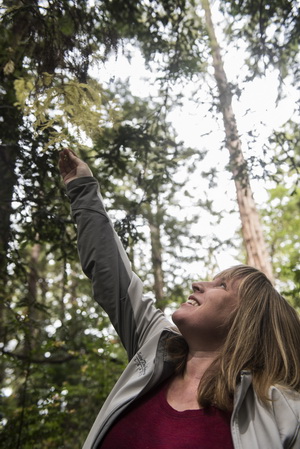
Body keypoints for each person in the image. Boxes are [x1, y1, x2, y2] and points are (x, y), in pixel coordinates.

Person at [59, 148, 300, 449]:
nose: (199, 284)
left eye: (222, 286)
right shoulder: (155, 350)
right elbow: (114, 280)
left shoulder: (284, 413)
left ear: (249, 319)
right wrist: (82, 188)